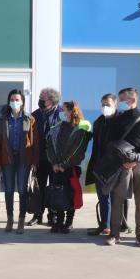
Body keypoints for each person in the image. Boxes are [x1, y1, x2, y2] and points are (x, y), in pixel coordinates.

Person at [105, 87, 140, 247]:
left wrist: (136, 158)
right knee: (117, 200)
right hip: (121, 163)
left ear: (132, 101)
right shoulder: (117, 120)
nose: (119, 103)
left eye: (122, 100)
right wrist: (123, 161)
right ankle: (114, 234)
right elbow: (111, 142)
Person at [0, 89, 38, 234]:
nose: (14, 102)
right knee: (8, 190)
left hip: (24, 159)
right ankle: (10, 219)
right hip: (7, 159)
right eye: (12, 100)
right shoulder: (3, 120)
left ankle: (21, 220)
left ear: (22, 102)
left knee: (22, 190)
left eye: (17, 100)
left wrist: (34, 162)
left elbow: (35, 142)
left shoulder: (30, 119)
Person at [85, 94, 130, 236]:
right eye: (103, 104)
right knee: (103, 197)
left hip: (115, 166)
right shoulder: (99, 122)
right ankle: (104, 225)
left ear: (115, 105)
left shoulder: (122, 121)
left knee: (115, 198)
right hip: (100, 166)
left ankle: (115, 226)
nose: (105, 107)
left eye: (108, 104)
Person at [45, 100, 92, 233]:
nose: (62, 111)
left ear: (72, 110)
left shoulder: (81, 128)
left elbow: (78, 150)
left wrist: (64, 165)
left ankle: (69, 221)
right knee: (58, 193)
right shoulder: (58, 126)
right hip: (56, 167)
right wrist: (54, 163)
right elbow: (49, 145)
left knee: (70, 194)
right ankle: (58, 222)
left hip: (71, 167)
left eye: (64, 109)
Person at [29, 88, 63, 226]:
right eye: (39, 97)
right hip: (40, 158)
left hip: (55, 159)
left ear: (52, 100)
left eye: (43, 98)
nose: (40, 101)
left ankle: (52, 215)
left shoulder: (61, 113)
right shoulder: (35, 115)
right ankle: (38, 215)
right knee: (39, 187)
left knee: (54, 187)